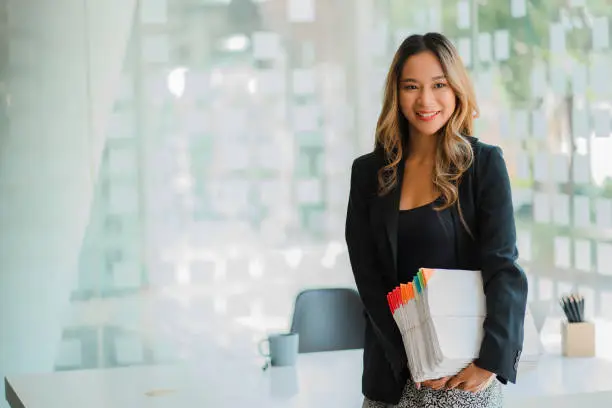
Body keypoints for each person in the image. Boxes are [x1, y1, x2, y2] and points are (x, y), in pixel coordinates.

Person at [345, 32, 528, 408]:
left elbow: (503, 268)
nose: (425, 100)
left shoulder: (484, 165)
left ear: (456, 89)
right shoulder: (368, 173)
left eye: (439, 85)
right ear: (396, 94)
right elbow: (368, 277)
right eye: (411, 86)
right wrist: (411, 360)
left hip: (460, 377)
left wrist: (490, 363)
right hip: (391, 376)